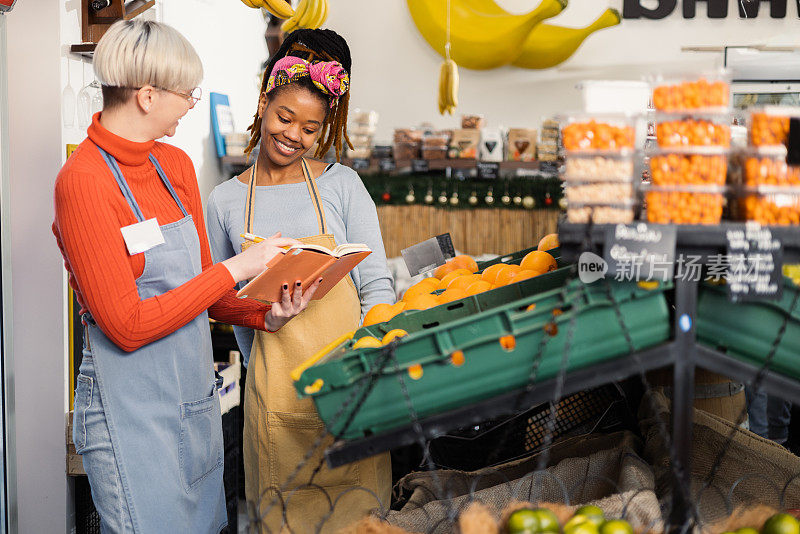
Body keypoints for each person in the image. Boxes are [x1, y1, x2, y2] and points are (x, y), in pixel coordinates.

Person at [53, 20, 318, 533]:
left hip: (190, 404)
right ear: (148, 95)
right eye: (187, 92)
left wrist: (266, 313)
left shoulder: (173, 165)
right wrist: (236, 268)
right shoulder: (82, 183)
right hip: (126, 416)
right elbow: (126, 327)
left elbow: (204, 294)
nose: (194, 101)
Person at [206, 29, 394, 532]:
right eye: (284, 118)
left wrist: (375, 359)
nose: (293, 135)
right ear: (264, 102)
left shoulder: (342, 185)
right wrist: (260, 364)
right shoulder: (225, 201)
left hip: (352, 395)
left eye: (309, 129)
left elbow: (376, 286)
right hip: (274, 404)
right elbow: (216, 299)